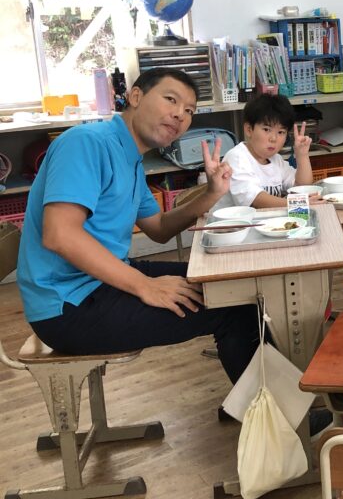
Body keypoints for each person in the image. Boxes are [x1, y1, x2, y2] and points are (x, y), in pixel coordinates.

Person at [16, 68, 259, 384]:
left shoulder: (129, 158)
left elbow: (159, 228)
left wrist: (212, 193)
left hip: (101, 283)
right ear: (135, 96)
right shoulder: (87, 143)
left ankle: (259, 402)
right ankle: (262, 409)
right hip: (67, 305)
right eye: (171, 99)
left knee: (235, 285)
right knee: (232, 304)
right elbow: (60, 235)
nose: (180, 115)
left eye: (189, 111)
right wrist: (146, 286)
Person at [209, 93, 315, 213]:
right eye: (266, 129)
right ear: (249, 129)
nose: (273, 138)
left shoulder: (276, 159)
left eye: (281, 132)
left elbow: (303, 187)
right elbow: (256, 200)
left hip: (262, 221)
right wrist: (299, 203)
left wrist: (302, 155)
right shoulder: (237, 158)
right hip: (230, 223)